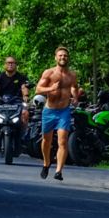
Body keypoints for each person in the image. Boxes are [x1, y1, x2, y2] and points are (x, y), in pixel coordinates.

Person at [35, 46, 81, 182]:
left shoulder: (72, 75)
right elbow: (38, 89)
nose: (63, 58)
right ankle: (46, 163)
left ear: (68, 58)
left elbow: (74, 87)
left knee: (62, 140)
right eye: (60, 55)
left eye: (65, 56)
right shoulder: (49, 73)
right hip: (49, 110)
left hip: (64, 111)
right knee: (46, 140)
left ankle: (59, 171)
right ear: (56, 58)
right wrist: (51, 88)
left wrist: (75, 97)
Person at [0, 57, 30, 134]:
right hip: (1, 102)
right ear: (5, 64)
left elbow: (24, 87)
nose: (10, 64)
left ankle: (24, 134)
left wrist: (25, 96)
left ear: (16, 65)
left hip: (17, 102)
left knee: (25, 113)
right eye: (8, 63)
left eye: (12, 63)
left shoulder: (21, 77)